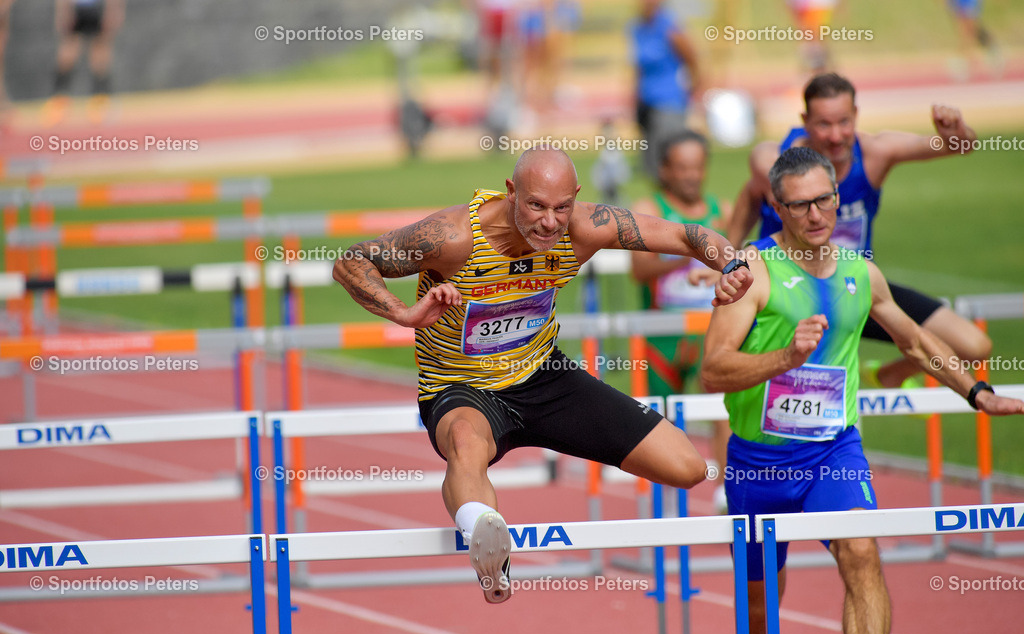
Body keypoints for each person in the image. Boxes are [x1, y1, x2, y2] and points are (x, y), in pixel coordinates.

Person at [333, 147, 752, 603]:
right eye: (535, 206)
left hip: (544, 376)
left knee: (687, 467)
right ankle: (487, 542)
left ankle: (486, 527)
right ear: (511, 193)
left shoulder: (587, 227)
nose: (549, 223)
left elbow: (689, 235)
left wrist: (733, 265)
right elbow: (352, 261)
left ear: (575, 198)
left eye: (561, 208)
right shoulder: (453, 237)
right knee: (466, 445)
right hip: (463, 387)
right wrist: (404, 314)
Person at [702, 147, 1024, 634]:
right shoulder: (753, 272)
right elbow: (714, 371)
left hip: (833, 453)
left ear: (836, 198)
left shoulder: (861, 272)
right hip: (758, 462)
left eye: (824, 200)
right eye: (800, 205)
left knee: (861, 555)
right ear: (777, 208)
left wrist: (977, 392)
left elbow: (918, 343)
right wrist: (786, 357)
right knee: (760, 612)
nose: (815, 215)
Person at [727, 72, 991, 391]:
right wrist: (725, 256)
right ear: (805, 121)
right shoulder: (774, 159)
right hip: (785, 296)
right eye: (824, 124)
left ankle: (889, 375)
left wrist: (956, 133)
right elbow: (750, 195)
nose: (836, 136)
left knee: (974, 345)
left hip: (856, 289)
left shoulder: (875, 153)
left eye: (844, 122)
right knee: (747, 383)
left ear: (856, 116)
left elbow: (960, 146)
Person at [630, 130, 732, 513]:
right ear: (665, 170)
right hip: (662, 334)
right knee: (664, 418)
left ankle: (725, 486)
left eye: (698, 167)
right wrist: (688, 250)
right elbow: (640, 270)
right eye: (683, 168)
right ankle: (668, 494)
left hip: (710, 326)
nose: (692, 175)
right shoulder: (648, 207)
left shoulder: (720, 209)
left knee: (723, 407)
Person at [631, 0, 703, 176]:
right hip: (647, 103)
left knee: (670, 163)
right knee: (651, 164)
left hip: (669, 103)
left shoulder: (669, 27)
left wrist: (693, 89)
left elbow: (692, 58)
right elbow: (638, 67)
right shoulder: (637, 28)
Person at [44, 0, 125, 125]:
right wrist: (62, 12)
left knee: (100, 57)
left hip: (98, 8)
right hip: (76, 8)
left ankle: (100, 102)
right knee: (67, 56)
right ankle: (58, 102)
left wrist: (113, 10)